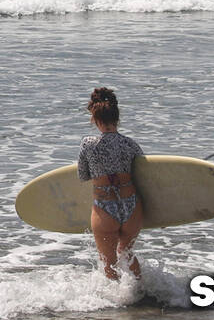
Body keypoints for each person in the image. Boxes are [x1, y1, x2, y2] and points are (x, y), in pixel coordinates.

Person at [78, 87, 144, 281]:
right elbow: (145, 176)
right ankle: (142, 294)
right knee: (126, 253)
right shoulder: (130, 144)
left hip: (104, 207)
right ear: (117, 118)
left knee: (108, 261)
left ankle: (117, 303)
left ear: (95, 119)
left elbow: (83, 176)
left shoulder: (88, 144)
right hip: (131, 204)